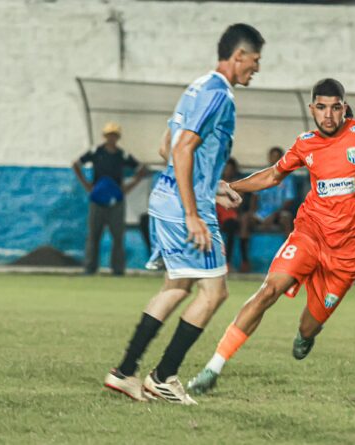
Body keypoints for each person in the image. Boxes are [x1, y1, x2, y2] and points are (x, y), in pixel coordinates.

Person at [186, 78, 355, 395]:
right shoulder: (305, 144)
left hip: (346, 255)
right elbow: (272, 174)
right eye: (321, 108)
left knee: (309, 325)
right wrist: (232, 186)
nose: (328, 115)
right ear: (312, 109)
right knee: (269, 290)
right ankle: (213, 368)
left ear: (344, 107)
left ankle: (306, 335)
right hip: (309, 235)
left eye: (335, 108)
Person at [102, 23, 264, 405]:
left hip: (168, 197)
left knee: (177, 286)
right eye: (255, 61)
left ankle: (125, 372)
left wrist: (214, 186)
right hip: (183, 207)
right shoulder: (219, 95)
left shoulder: (197, 86)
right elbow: (182, 149)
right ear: (238, 56)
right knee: (215, 292)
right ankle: (163, 375)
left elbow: (166, 145)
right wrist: (194, 212)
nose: (256, 69)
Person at [73, 122, 148, 275]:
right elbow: (76, 164)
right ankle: (90, 268)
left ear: (118, 137)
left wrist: (129, 186)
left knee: (118, 236)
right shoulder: (96, 152)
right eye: (109, 135)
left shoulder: (122, 155)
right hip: (97, 199)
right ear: (104, 136)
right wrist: (87, 185)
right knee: (94, 235)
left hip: (116, 200)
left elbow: (141, 169)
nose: (111, 138)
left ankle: (118, 270)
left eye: (114, 135)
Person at [238, 146, 297, 271]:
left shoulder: (288, 177)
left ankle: (289, 262)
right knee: (245, 219)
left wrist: (274, 215)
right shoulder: (263, 175)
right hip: (262, 213)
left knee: (286, 219)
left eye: (277, 157)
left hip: (279, 213)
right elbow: (255, 196)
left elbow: (289, 201)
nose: (275, 160)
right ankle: (245, 261)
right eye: (272, 157)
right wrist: (252, 212)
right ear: (269, 158)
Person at [217, 157, 248, 271]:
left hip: (230, 216)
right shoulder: (216, 182)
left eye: (230, 169)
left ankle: (229, 263)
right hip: (215, 214)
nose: (228, 171)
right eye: (226, 168)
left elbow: (239, 202)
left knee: (232, 226)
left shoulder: (238, 184)